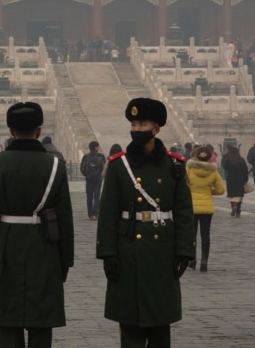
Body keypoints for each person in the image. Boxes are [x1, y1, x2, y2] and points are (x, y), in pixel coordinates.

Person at [96, 98, 195, 348]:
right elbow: (108, 213)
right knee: (130, 325)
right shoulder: (120, 165)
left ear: (156, 128)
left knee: (161, 325)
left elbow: (183, 211)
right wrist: (108, 253)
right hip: (128, 250)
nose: (137, 129)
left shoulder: (174, 165)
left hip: (163, 251)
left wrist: (185, 250)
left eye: (143, 124)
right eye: (134, 124)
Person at [0, 102, 74, 348]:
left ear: (11, 131)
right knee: (42, 323)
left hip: (6, 244)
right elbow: (64, 219)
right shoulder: (55, 167)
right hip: (44, 246)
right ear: (38, 131)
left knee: (8, 322)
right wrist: (65, 261)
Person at [186, 145, 225, 272]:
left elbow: (183, 185)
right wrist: (208, 192)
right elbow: (221, 190)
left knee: (192, 234)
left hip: (192, 206)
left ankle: (192, 259)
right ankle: (204, 261)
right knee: (205, 235)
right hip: (207, 207)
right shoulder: (213, 171)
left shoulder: (189, 169)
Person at [220, 144, 250, 218]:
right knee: (239, 195)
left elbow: (225, 167)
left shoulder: (229, 159)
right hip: (240, 180)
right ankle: (238, 212)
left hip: (231, 179)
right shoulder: (241, 160)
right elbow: (245, 170)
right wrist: (246, 179)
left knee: (232, 194)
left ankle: (234, 206)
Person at [80, 141, 107, 221]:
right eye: (98, 146)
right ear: (95, 147)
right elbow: (104, 168)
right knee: (96, 197)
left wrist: (87, 175)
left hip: (89, 180)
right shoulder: (101, 156)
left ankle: (90, 214)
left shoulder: (85, 157)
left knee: (89, 197)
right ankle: (95, 214)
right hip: (98, 179)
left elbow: (82, 168)